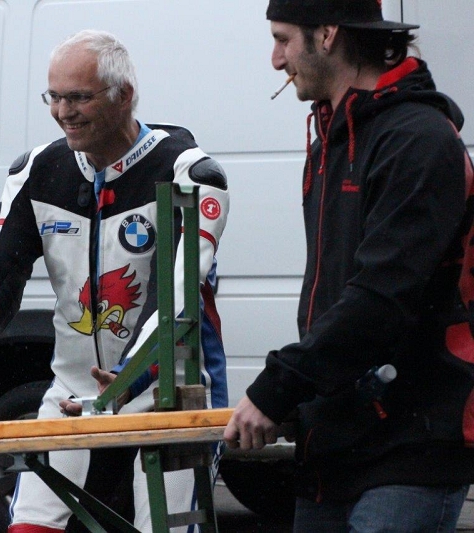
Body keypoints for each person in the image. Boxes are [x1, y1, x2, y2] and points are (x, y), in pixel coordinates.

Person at [0, 29, 230, 532]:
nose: (64, 112)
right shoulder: (38, 171)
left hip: (169, 393)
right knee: (29, 527)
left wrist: (127, 380)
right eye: (55, 97)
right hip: (73, 392)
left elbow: (174, 300)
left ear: (124, 95)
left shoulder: (188, 173)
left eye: (79, 97)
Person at [223, 0, 474, 531]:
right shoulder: (330, 138)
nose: (276, 59)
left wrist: (278, 387)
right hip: (333, 441)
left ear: (328, 34)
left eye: (283, 39)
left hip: (412, 443)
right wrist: (303, 400)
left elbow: (382, 297)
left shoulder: (418, 138)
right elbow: (332, 292)